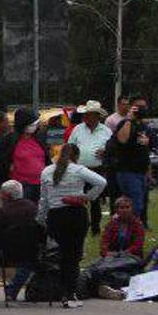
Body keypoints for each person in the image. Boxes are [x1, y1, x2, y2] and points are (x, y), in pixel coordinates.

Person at [37, 143, 107, 307]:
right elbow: (102, 182)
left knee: (61, 255)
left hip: (55, 217)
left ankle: (61, 291)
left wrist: (40, 220)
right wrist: (87, 197)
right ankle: (69, 294)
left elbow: (43, 200)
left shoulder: (46, 171)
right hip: (75, 215)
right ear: (76, 156)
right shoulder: (78, 170)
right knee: (73, 256)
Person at [0, 180, 41, 303]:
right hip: (30, 253)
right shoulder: (33, 208)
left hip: (3, 254)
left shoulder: (0, 213)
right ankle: (12, 291)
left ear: (7, 196)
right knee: (27, 265)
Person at [66, 100, 112, 235]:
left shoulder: (106, 131)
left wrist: (105, 151)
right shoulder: (77, 129)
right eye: (85, 114)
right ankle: (79, 225)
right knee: (78, 198)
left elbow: (112, 148)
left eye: (88, 114)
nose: (85, 117)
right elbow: (70, 147)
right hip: (79, 169)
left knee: (95, 199)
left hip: (97, 169)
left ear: (96, 116)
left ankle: (95, 228)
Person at [112, 96, 152, 226]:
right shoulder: (125, 124)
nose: (142, 110)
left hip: (141, 172)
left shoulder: (144, 126)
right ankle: (128, 231)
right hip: (128, 171)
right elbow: (122, 140)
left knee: (140, 204)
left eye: (144, 107)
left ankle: (130, 230)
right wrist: (128, 119)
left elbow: (145, 150)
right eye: (138, 107)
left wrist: (148, 170)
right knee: (135, 205)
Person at [9, 107, 48, 203]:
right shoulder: (11, 140)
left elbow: (46, 158)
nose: (34, 126)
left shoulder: (38, 139)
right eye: (31, 124)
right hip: (22, 185)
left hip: (41, 184)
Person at [99, 196, 146, 260]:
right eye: (122, 208)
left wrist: (122, 254)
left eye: (127, 207)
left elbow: (137, 246)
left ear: (132, 209)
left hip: (132, 256)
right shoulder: (111, 224)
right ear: (116, 210)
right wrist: (107, 253)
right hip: (111, 256)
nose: (125, 210)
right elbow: (104, 242)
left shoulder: (138, 224)